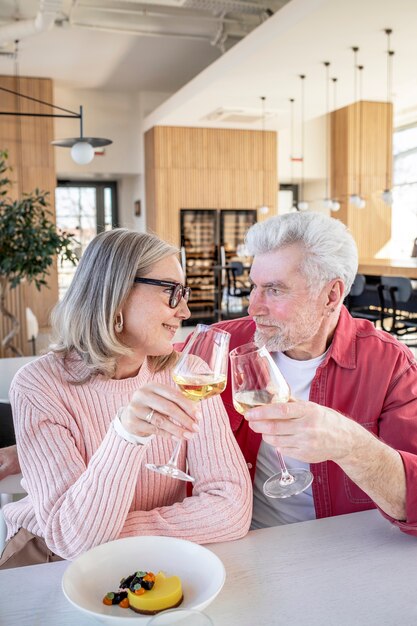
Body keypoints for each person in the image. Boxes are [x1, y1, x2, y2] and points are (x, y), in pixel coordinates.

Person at [0, 228, 251, 569]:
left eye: (186, 293)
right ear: (115, 293)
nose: (186, 312)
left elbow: (232, 508)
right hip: (47, 560)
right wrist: (126, 434)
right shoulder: (38, 385)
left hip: (150, 557)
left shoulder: (189, 372)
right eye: (172, 293)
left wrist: (113, 534)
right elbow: (70, 539)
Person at [210, 211, 417, 536]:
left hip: (344, 551)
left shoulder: (390, 365)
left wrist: (351, 445)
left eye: (275, 291)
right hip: (244, 545)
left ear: (331, 295)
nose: (253, 307)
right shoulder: (221, 344)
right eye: (254, 287)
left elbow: (414, 505)